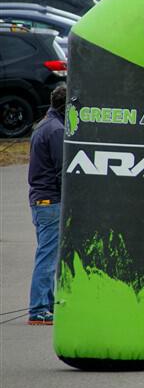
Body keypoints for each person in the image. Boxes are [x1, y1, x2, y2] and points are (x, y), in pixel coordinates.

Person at [27, 85, 66, 325]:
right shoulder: (57, 130)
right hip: (51, 200)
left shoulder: (43, 125)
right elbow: (63, 170)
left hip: (41, 200)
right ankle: (39, 308)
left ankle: (47, 304)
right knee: (48, 257)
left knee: (47, 254)